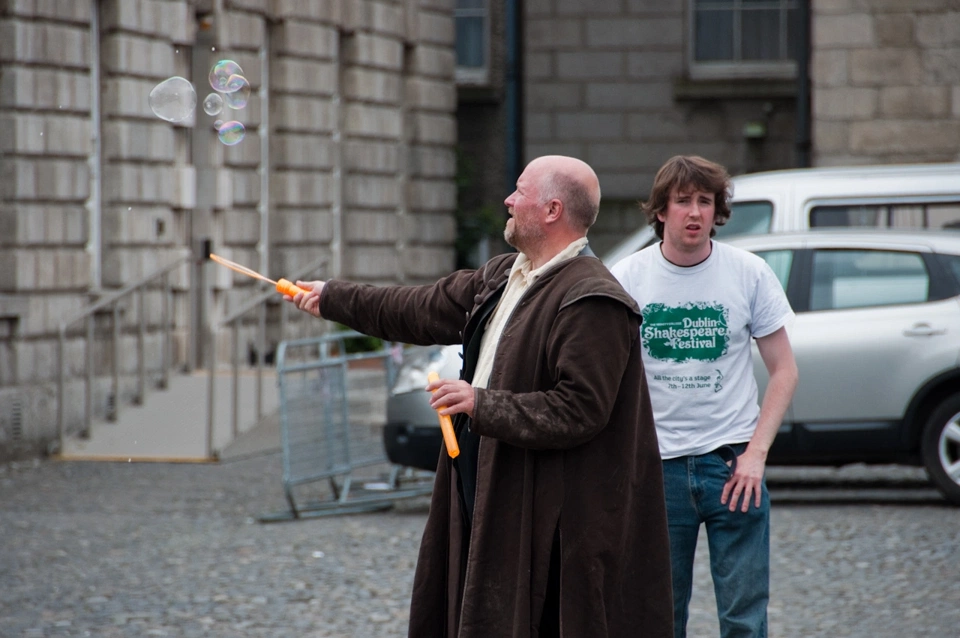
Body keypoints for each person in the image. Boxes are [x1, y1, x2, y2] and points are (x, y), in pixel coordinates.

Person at [288, 155, 673, 637]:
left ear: (552, 210)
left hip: (548, 513)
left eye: (520, 191)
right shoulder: (503, 275)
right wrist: (332, 297)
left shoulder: (593, 299)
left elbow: (579, 410)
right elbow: (418, 308)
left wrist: (480, 403)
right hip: (487, 481)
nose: (508, 200)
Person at [610, 155, 799, 638]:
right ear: (660, 211)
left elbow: (784, 370)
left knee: (744, 620)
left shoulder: (749, 272)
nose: (694, 212)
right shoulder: (627, 278)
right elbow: (607, 375)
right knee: (659, 618)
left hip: (732, 465)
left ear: (717, 211)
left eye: (705, 201)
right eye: (682, 201)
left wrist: (756, 455)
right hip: (657, 469)